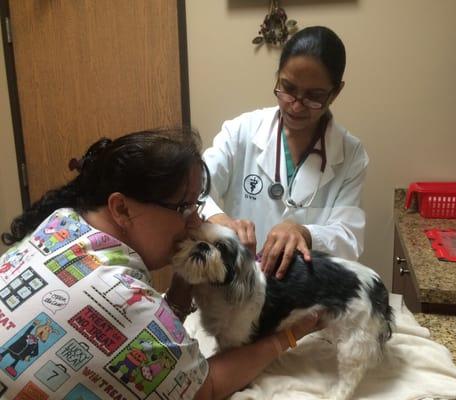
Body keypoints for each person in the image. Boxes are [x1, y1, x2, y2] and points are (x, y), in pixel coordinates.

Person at [0, 128, 322, 400]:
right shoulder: (122, 297)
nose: (195, 220)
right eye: (183, 207)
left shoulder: (61, 222)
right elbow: (204, 386)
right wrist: (287, 338)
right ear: (122, 209)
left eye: (196, 204)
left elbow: (147, 333)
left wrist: (182, 285)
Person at [203, 26, 369, 279]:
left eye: (314, 96)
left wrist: (305, 232)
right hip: (237, 285)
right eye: (288, 88)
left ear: (335, 92)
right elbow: (194, 190)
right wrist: (219, 219)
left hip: (302, 296)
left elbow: (349, 237)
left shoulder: (350, 153)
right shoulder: (241, 131)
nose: (296, 105)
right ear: (278, 77)